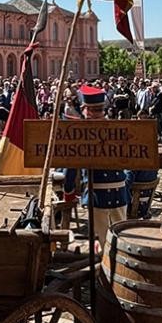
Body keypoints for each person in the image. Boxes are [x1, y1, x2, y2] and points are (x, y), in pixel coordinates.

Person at [62, 85, 130, 249]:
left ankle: (105, 271)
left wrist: (68, 189)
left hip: (96, 192)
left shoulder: (81, 133)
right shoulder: (118, 130)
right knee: (122, 239)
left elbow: (72, 164)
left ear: (87, 110)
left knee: (101, 241)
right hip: (120, 190)